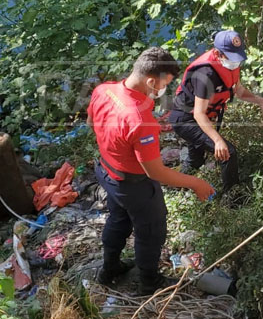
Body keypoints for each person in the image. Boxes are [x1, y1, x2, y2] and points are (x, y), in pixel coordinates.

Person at [87, 47, 215, 295]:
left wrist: (129, 140)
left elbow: (93, 123)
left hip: (107, 173)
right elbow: (156, 172)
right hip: (134, 185)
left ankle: (109, 268)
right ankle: (149, 282)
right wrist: (195, 183)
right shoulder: (138, 118)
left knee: (118, 219)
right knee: (151, 232)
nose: (162, 90)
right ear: (150, 80)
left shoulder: (105, 90)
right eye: (163, 84)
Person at [169, 30, 263, 193]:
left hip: (201, 118)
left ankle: (175, 190)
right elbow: (198, 113)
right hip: (186, 120)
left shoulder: (232, 64)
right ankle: (232, 199)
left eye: (237, 57)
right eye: (231, 57)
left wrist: (259, 100)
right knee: (228, 152)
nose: (235, 61)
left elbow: (238, 90)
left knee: (196, 161)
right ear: (218, 53)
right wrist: (218, 140)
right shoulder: (205, 74)